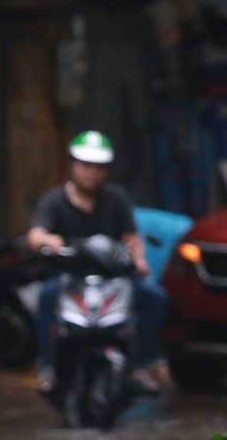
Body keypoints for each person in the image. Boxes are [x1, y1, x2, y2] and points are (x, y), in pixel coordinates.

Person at [27, 130, 168, 394]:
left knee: (154, 297)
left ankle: (143, 363)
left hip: (113, 276)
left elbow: (131, 236)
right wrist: (49, 240)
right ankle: (48, 368)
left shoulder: (116, 198)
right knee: (45, 297)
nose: (92, 172)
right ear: (72, 165)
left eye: (99, 167)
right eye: (86, 166)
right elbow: (35, 235)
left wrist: (138, 259)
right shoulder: (53, 200)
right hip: (69, 275)